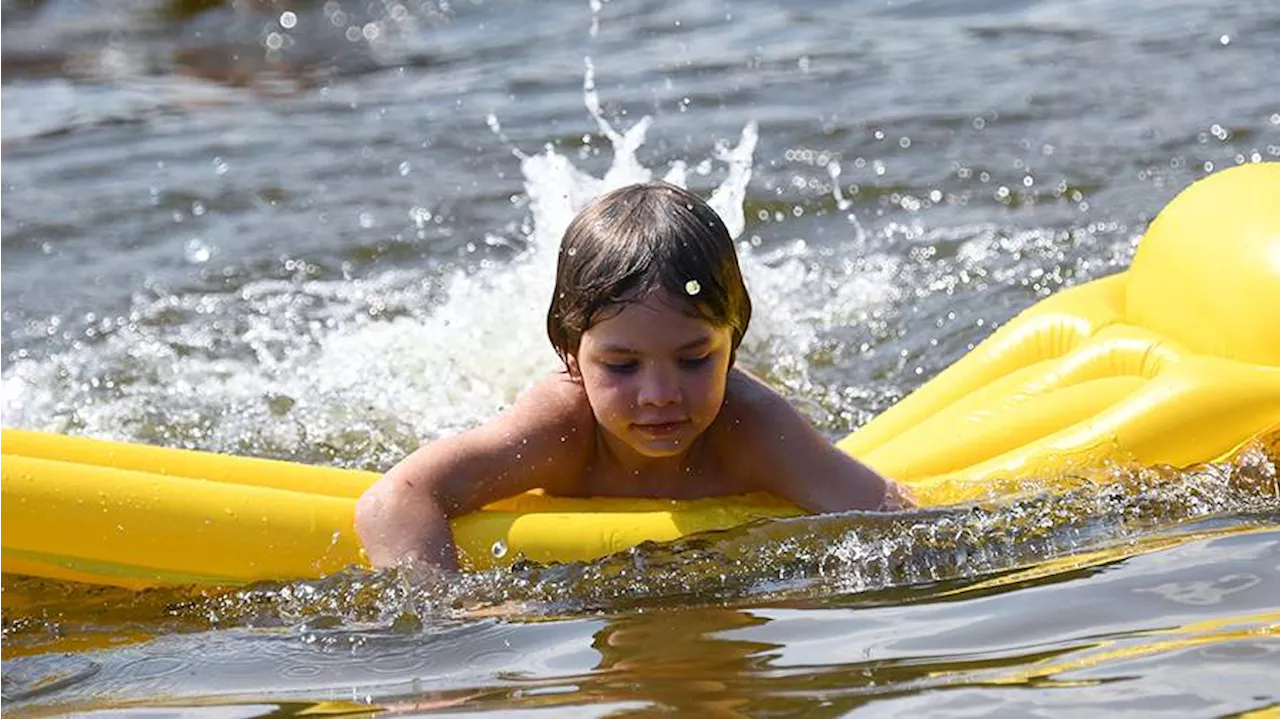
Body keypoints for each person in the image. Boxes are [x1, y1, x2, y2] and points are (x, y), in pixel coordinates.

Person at [355, 181, 913, 571]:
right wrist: (448, 631)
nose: (660, 395)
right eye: (621, 366)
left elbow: (896, 520)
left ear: (733, 346)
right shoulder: (560, 427)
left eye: (695, 360)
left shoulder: (753, 427)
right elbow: (394, 501)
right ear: (571, 356)